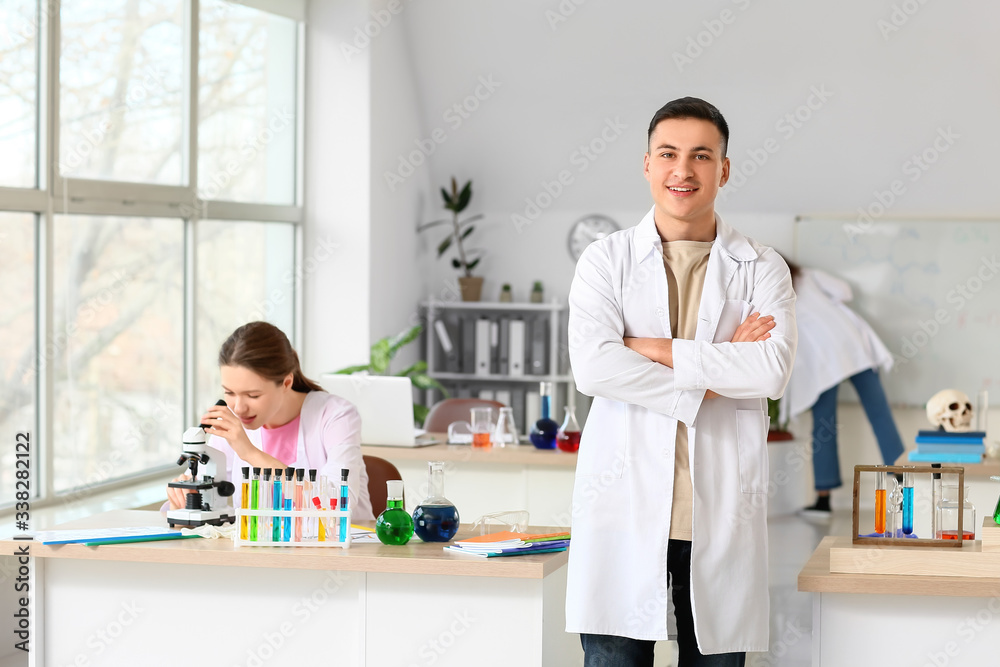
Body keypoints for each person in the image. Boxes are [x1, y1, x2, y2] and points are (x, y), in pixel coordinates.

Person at [566, 97, 797, 666]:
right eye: (668, 154)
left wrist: (649, 349)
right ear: (647, 164)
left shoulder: (761, 266)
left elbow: (770, 371)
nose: (683, 170)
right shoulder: (605, 260)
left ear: (724, 168)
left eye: (701, 155)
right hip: (623, 506)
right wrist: (719, 369)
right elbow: (594, 367)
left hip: (717, 511)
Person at [166, 321, 374, 521]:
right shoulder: (231, 422)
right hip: (261, 553)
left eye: (253, 395)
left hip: (343, 551)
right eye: (229, 392)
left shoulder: (336, 416)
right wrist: (182, 498)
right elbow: (196, 493)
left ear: (286, 382)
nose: (238, 408)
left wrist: (249, 453)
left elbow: (336, 505)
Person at [779, 260, 904, 520]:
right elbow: (845, 292)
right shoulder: (809, 275)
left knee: (824, 425)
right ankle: (903, 486)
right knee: (879, 414)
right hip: (851, 345)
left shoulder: (773, 290)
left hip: (822, 361)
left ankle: (823, 500)